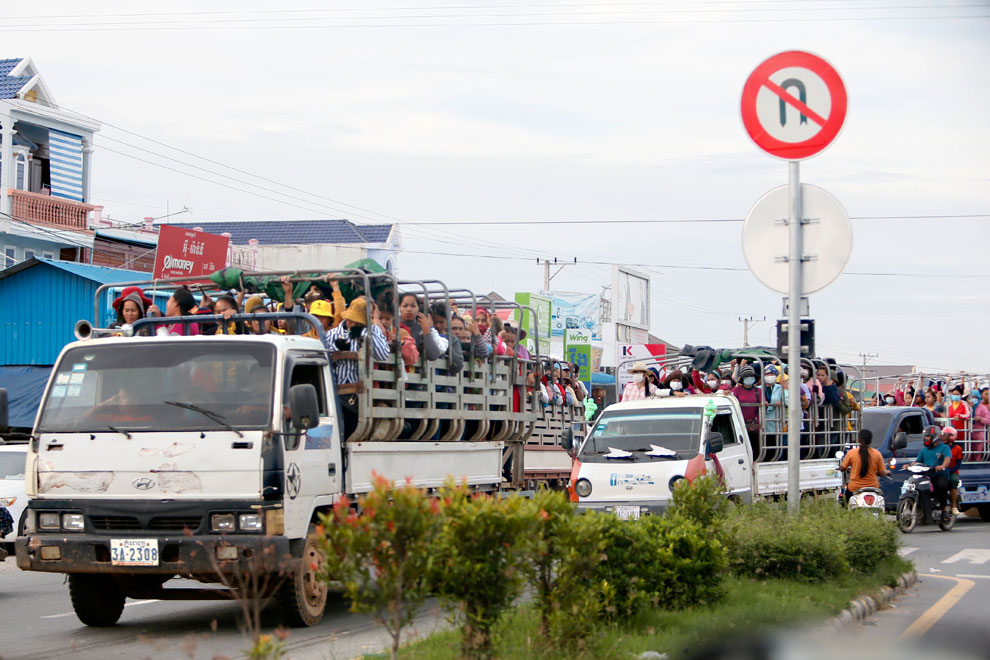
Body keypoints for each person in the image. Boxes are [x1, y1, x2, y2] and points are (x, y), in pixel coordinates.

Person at [907, 425, 952, 518]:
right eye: (925, 436)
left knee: (941, 485)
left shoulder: (944, 448)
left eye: (927, 436)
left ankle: (944, 510)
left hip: (939, 475)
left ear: (935, 437)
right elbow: (917, 461)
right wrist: (909, 465)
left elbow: (947, 459)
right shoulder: (924, 450)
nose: (925, 438)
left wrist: (942, 466)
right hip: (926, 475)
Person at [839, 428, 888, 503]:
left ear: (859, 440)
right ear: (871, 441)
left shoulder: (852, 453)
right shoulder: (877, 454)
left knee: (844, 503)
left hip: (854, 488)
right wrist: (887, 472)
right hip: (873, 487)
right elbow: (881, 473)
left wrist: (841, 467)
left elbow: (843, 468)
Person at [732, 365, 763, 454]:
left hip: (754, 426)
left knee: (754, 449)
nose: (749, 378)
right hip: (739, 424)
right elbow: (731, 398)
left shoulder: (758, 391)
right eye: (747, 376)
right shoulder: (736, 390)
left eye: (751, 376)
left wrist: (764, 403)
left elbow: (764, 403)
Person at [941, 427, 963, 515]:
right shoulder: (940, 447)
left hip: (952, 472)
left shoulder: (958, 449)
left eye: (945, 435)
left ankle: (954, 506)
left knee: (953, 481)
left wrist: (949, 471)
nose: (942, 437)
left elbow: (958, 464)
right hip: (941, 471)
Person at [972, 389, 990, 461]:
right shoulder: (969, 406)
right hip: (973, 431)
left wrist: (981, 419)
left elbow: (988, 420)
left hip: (982, 432)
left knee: (980, 449)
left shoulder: (983, 408)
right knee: (972, 447)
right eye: (986, 394)